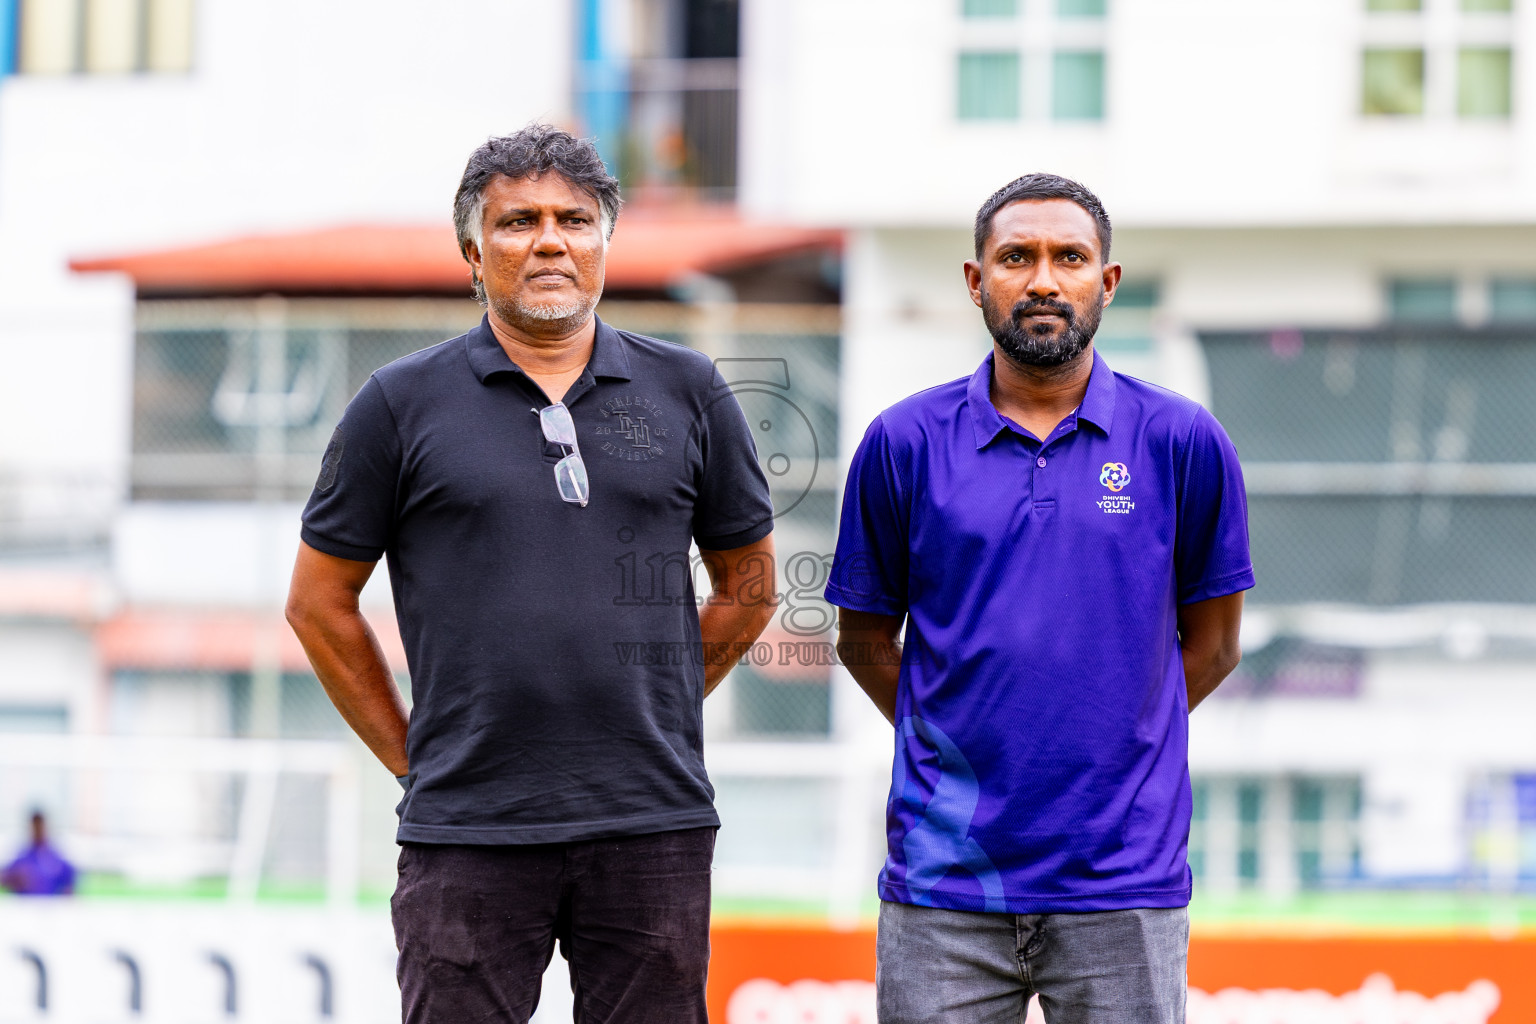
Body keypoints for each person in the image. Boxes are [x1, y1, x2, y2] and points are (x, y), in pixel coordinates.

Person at [285, 124, 776, 1024]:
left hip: (652, 822)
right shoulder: (398, 404)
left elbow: (750, 586)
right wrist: (414, 759)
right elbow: (318, 605)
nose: (550, 241)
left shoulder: (691, 390)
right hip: (467, 829)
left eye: (575, 221)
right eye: (519, 223)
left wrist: (659, 697)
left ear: (603, 243)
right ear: (474, 251)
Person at [826, 173, 1253, 1024]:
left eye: (1071, 257)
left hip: (1122, 880)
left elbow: (1212, 647)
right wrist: (956, 741)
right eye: (1017, 257)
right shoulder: (901, 444)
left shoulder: (1181, 440)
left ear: (1109, 280)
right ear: (977, 280)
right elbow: (864, 640)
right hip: (945, 881)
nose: (1045, 280)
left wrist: (1114, 731)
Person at [1, 811, 76, 895]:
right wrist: (14, 879)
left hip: (50, 905)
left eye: (40, 827)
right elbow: (4, 878)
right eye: (35, 827)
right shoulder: (22, 858)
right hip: (26, 905)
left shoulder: (55, 857)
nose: (38, 831)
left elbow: (70, 881)